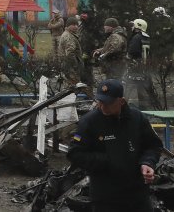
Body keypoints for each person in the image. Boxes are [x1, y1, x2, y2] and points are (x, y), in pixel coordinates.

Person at [66, 79, 162, 212]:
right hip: (105, 197)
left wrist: (147, 162)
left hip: (138, 195)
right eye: (100, 101)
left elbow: (153, 145)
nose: (103, 107)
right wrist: (108, 161)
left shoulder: (137, 118)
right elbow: (75, 153)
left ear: (121, 101)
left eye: (108, 103)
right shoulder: (89, 122)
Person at [126, 18, 152, 104]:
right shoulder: (146, 37)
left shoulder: (136, 37)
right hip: (144, 67)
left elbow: (132, 52)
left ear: (138, 26)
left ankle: (123, 107)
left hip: (136, 67)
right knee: (142, 89)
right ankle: (145, 109)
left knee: (127, 87)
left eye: (134, 25)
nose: (132, 27)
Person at [55, 16, 85, 88]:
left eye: (76, 25)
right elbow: (70, 53)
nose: (76, 27)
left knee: (70, 85)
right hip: (70, 66)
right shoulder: (69, 37)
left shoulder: (69, 34)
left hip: (67, 65)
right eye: (73, 25)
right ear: (68, 26)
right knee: (73, 86)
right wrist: (75, 65)